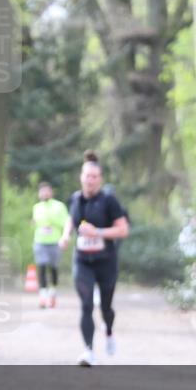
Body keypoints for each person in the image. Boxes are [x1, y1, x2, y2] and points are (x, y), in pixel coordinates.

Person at [59, 151, 128, 366]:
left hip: (106, 261)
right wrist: (65, 235)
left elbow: (123, 230)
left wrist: (96, 232)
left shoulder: (109, 201)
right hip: (82, 261)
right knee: (86, 305)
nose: (90, 180)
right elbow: (71, 219)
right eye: (87, 176)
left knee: (106, 307)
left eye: (94, 177)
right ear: (81, 177)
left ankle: (109, 331)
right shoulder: (75, 199)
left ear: (100, 179)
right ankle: (88, 351)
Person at [31, 182, 69, 309]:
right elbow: (35, 223)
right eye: (42, 191)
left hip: (55, 242)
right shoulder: (36, 207)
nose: (44, 194)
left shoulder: (59, 206)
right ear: (39, 194)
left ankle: (52, 293)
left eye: (47, 191)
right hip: (40, 241)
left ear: (51, 193)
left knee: (53, 268)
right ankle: (43, 296)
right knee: (41, 266)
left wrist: (51, 222)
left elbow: (65, 222)